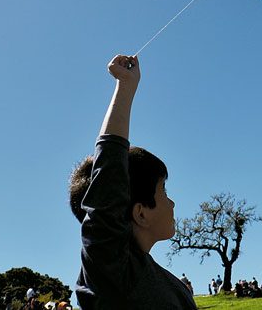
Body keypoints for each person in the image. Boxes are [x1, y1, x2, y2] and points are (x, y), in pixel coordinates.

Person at [71, 55, 197, 309]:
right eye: (163, 190)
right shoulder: (114, 271)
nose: (172, 203)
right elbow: (108, 187)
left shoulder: (162, 279)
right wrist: (125, 88)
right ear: (140, 212)